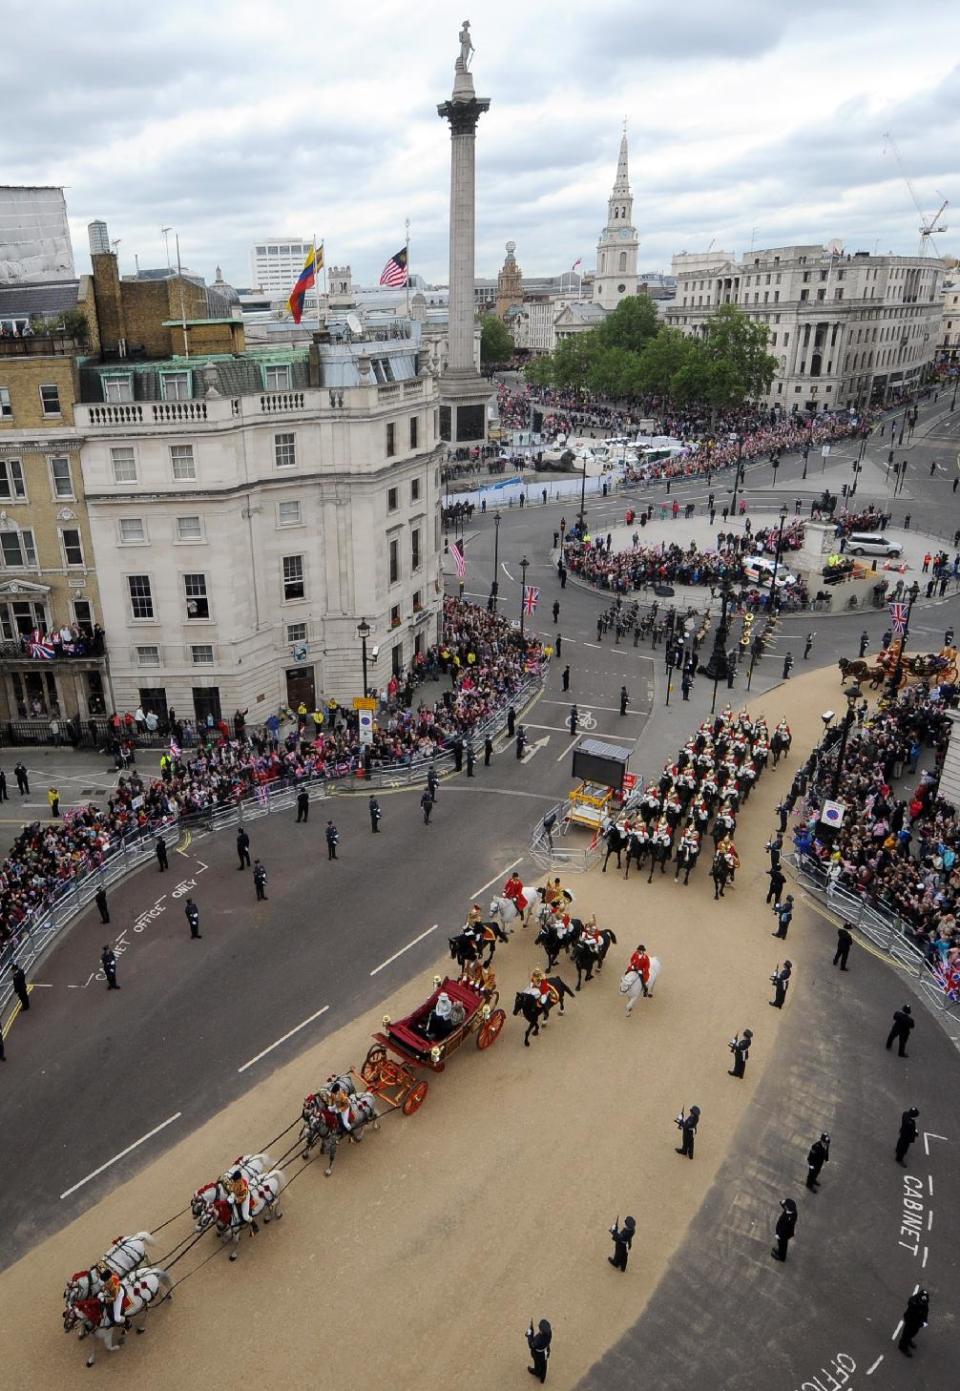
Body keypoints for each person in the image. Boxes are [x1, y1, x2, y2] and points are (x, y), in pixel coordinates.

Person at [898, 1288, 929, 1358]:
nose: (922, 1303)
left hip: (917, 1323)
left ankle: (908, 1341)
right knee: (906, 1334)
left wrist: (925, 1321)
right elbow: (914, 1316)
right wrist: (921, 1322)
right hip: (910, 1321)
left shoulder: (924, 1305)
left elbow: (925, 1313)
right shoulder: (913, 1303)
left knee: (914, 1332)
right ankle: (902, 1346)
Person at [526, 1318, 552, 1383]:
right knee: (544, 1365)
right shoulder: (549, 1333)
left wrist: (529, 1334)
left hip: (538, 1354)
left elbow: (531, 1345)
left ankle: (536, 1372)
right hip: (545, 1351)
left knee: (537, 1364)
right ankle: (543, 1378)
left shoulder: (538, 1340)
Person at [771, 1198, 797, 1262]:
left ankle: (781, 1257)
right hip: (783, 1233)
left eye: (785, 1206)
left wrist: (779, 1235)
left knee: (782, 1245)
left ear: (787, 1208)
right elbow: (783, 1204)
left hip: (783, 1235)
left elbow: (784, 1229)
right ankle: (780, 1251)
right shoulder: (792, 1211)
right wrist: (783, 1202)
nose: (784, 1206)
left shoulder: (789, 1218)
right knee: (781, 1245)